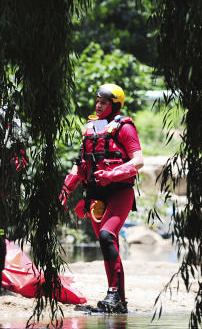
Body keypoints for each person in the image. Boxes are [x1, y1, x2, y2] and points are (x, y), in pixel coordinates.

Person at [60, 83, 143, 313]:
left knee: (107, 236)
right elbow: (80, 165)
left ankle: (114, 294)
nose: (98, 105)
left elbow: (138, 162)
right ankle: (119, 301)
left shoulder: (124, 127)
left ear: (114, 105)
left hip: (119, 191)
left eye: (104, 102)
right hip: (95, 195)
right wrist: (67, 190)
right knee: (108, 243)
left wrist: (111, 174)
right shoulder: (90, 128)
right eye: (97, 101)